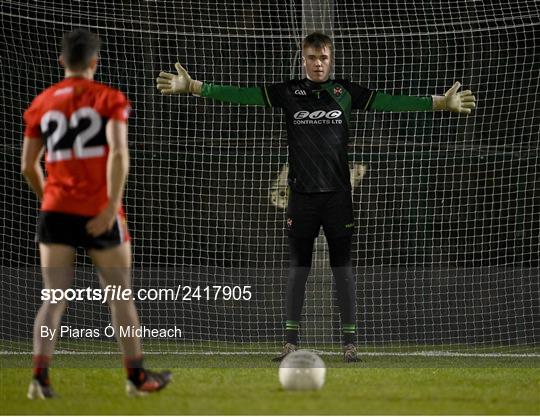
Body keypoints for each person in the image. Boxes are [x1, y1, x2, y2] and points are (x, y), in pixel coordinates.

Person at [155, 32, 476, 362]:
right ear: (303, 58)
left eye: (323, 58)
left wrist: (440, 103)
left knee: (343, 270)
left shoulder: (346, 93)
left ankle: (350, 345)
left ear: (330, 59)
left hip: (338, 197)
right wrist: (194, 87)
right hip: (302, 198)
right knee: (298, 270)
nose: (318, 63)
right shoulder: (289, 92)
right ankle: (289, 343)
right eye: (312, 57)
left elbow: (390, 101)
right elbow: (243, 95)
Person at [22, 29, 171, 398]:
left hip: (56, 211)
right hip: (98, 211)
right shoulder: (109, 98)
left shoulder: (42, 103)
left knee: (53, 298)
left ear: (62, 61)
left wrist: (51, 198)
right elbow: (120, 154)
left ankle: (39, 380)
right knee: (120, 295)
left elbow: (28, 165)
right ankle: (136, 380)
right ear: (94, 61)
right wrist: (109, 207)